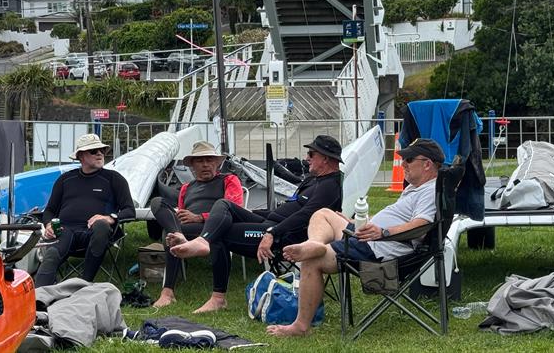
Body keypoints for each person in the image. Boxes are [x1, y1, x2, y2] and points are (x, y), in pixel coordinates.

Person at [266, 138, 444, 337]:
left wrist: (384, 232)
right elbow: (398, 218)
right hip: (371, 237)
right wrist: (358, 222)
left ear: (427, 164)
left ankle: (300, 326)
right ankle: (314, 243)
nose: (403, 164)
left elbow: (422, 225)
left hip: (379, 249)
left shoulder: (430, 191)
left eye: (409, 160)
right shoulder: (416, 188)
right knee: (323, 213)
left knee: (310, 261)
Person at [169, 135, 344, 313]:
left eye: (311, 154)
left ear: (325, 158)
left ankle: (218, 298)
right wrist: (253, 214)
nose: (307, 158)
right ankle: (202, 241)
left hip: (284, 236)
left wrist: (272, 233)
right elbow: (291, 208)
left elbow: (305, 216)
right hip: (271, 222)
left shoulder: (330, 185)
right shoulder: (314, 180)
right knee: (224, 205)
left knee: (222, 233)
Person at [150, 141, 244, 308]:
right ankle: (168, 291)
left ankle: (167, 291)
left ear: (217, 163)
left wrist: (200, 217)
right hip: (187, 230)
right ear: (192, 165)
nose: (206, 165)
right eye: (200, 161)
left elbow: (234, 208)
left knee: (170, 235)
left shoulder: (229, 180)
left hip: (215, 228)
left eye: (209, 160)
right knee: (158, 204)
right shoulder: (186, 188)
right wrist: (180, 221)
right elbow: (181, 212)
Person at [35, 133, 135, 287]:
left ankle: (83, 285)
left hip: (95, 234)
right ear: (81, 156)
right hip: (66, 231)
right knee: (52, 254)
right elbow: (49, 211)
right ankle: (38, 298)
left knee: (101, 226)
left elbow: (130, 211)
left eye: (102, 150)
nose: (100, 153)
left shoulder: (114, 178)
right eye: (94, 151)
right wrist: (48, 225)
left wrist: (109, 218)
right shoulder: (65, 179)